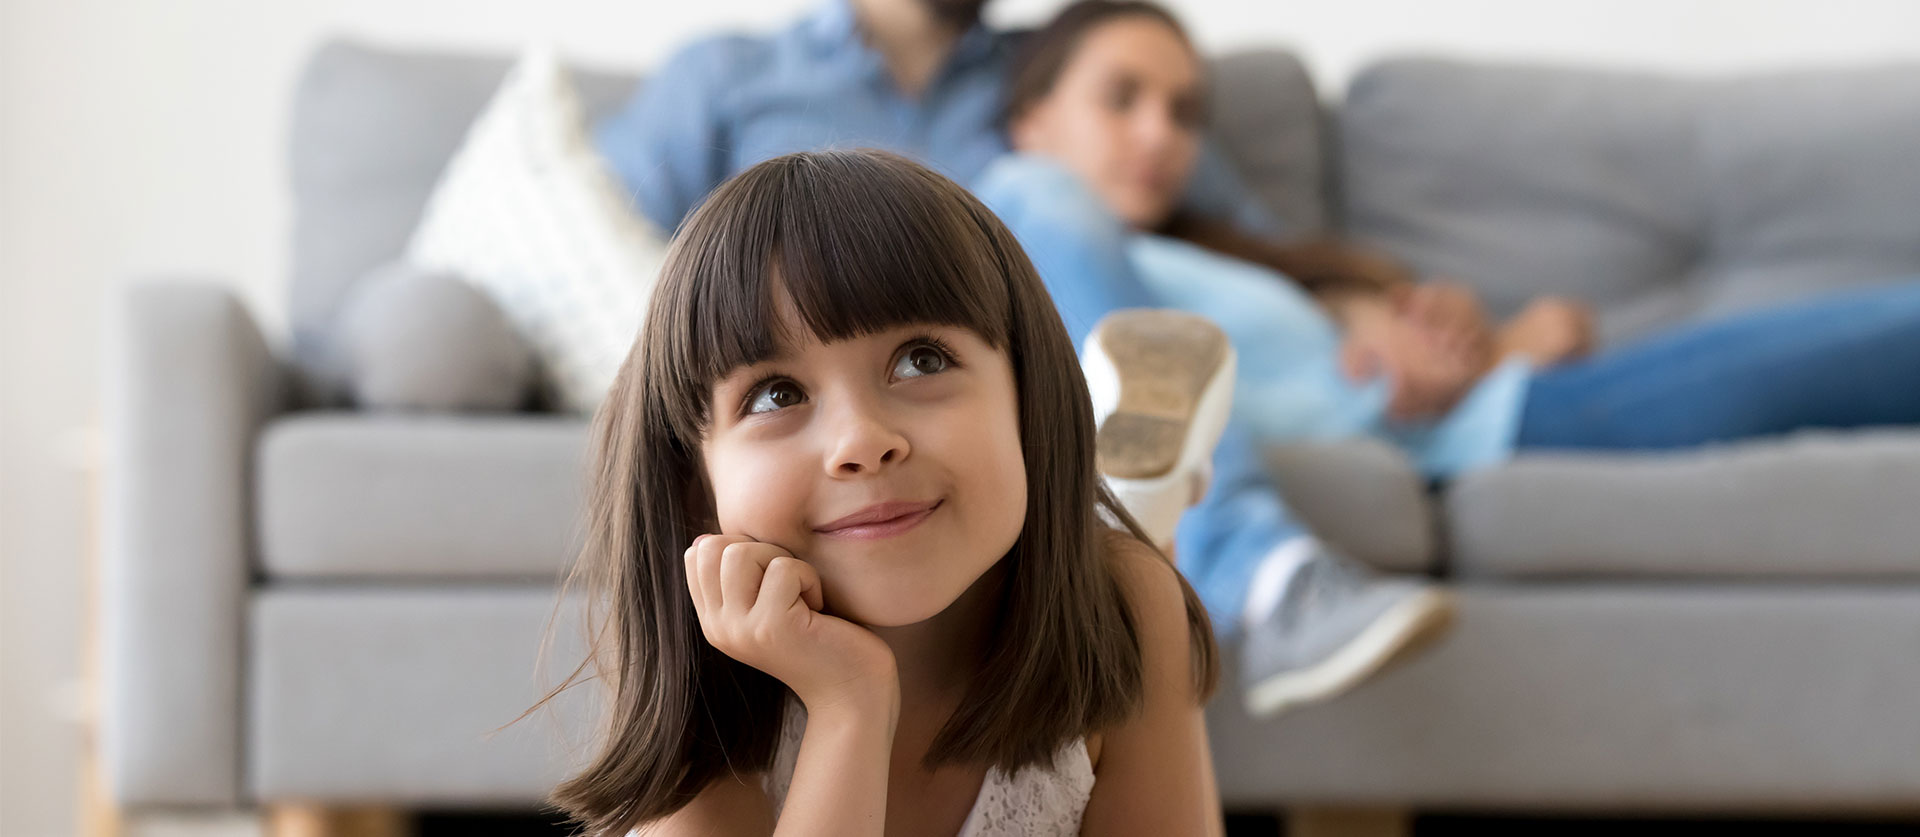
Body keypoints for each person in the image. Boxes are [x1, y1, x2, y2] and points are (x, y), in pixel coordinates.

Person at [598, 0, 1457, 722]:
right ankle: (1240, 556)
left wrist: (1359, 307)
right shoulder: (727, 74)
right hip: (798, 394)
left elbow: (1240, 242)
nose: (1152, 119)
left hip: (1017, 370)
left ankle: (1222, 542)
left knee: (1035, 187)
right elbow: (598, 246)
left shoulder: (1056, 69)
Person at [544, 150, 1224, 836]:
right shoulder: (706, 702)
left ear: (1030, 393)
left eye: (921, 360)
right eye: (777, 395)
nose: (862, 441)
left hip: (1080, 569)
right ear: (696, 481)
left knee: (1131, 563)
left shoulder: (1125, 603)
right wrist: (850, 704)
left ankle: (1138, 495)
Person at [986, 0, 1920, 479]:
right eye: (1122, 99)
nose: (1161, 136)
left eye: (1185, 112)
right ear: (1032, 119)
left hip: (1522, 403)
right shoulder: (1031, 236)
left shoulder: (1210, 258)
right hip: (1509, 430)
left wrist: (1478, 338)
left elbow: (1429, 367)